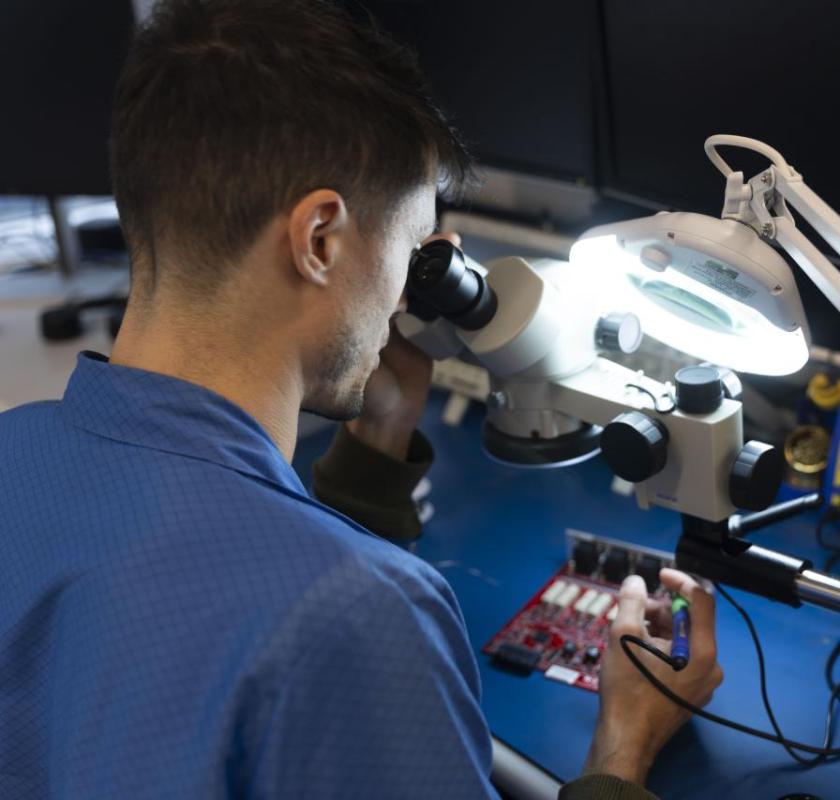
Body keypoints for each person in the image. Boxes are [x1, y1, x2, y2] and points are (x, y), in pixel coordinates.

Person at [0, 1, 723, 798]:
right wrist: (623, 746)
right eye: (413, 249)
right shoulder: (362, 617)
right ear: (320, 242)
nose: (404, 297)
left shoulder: (15, 453)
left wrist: (381, 432)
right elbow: (303, 611)